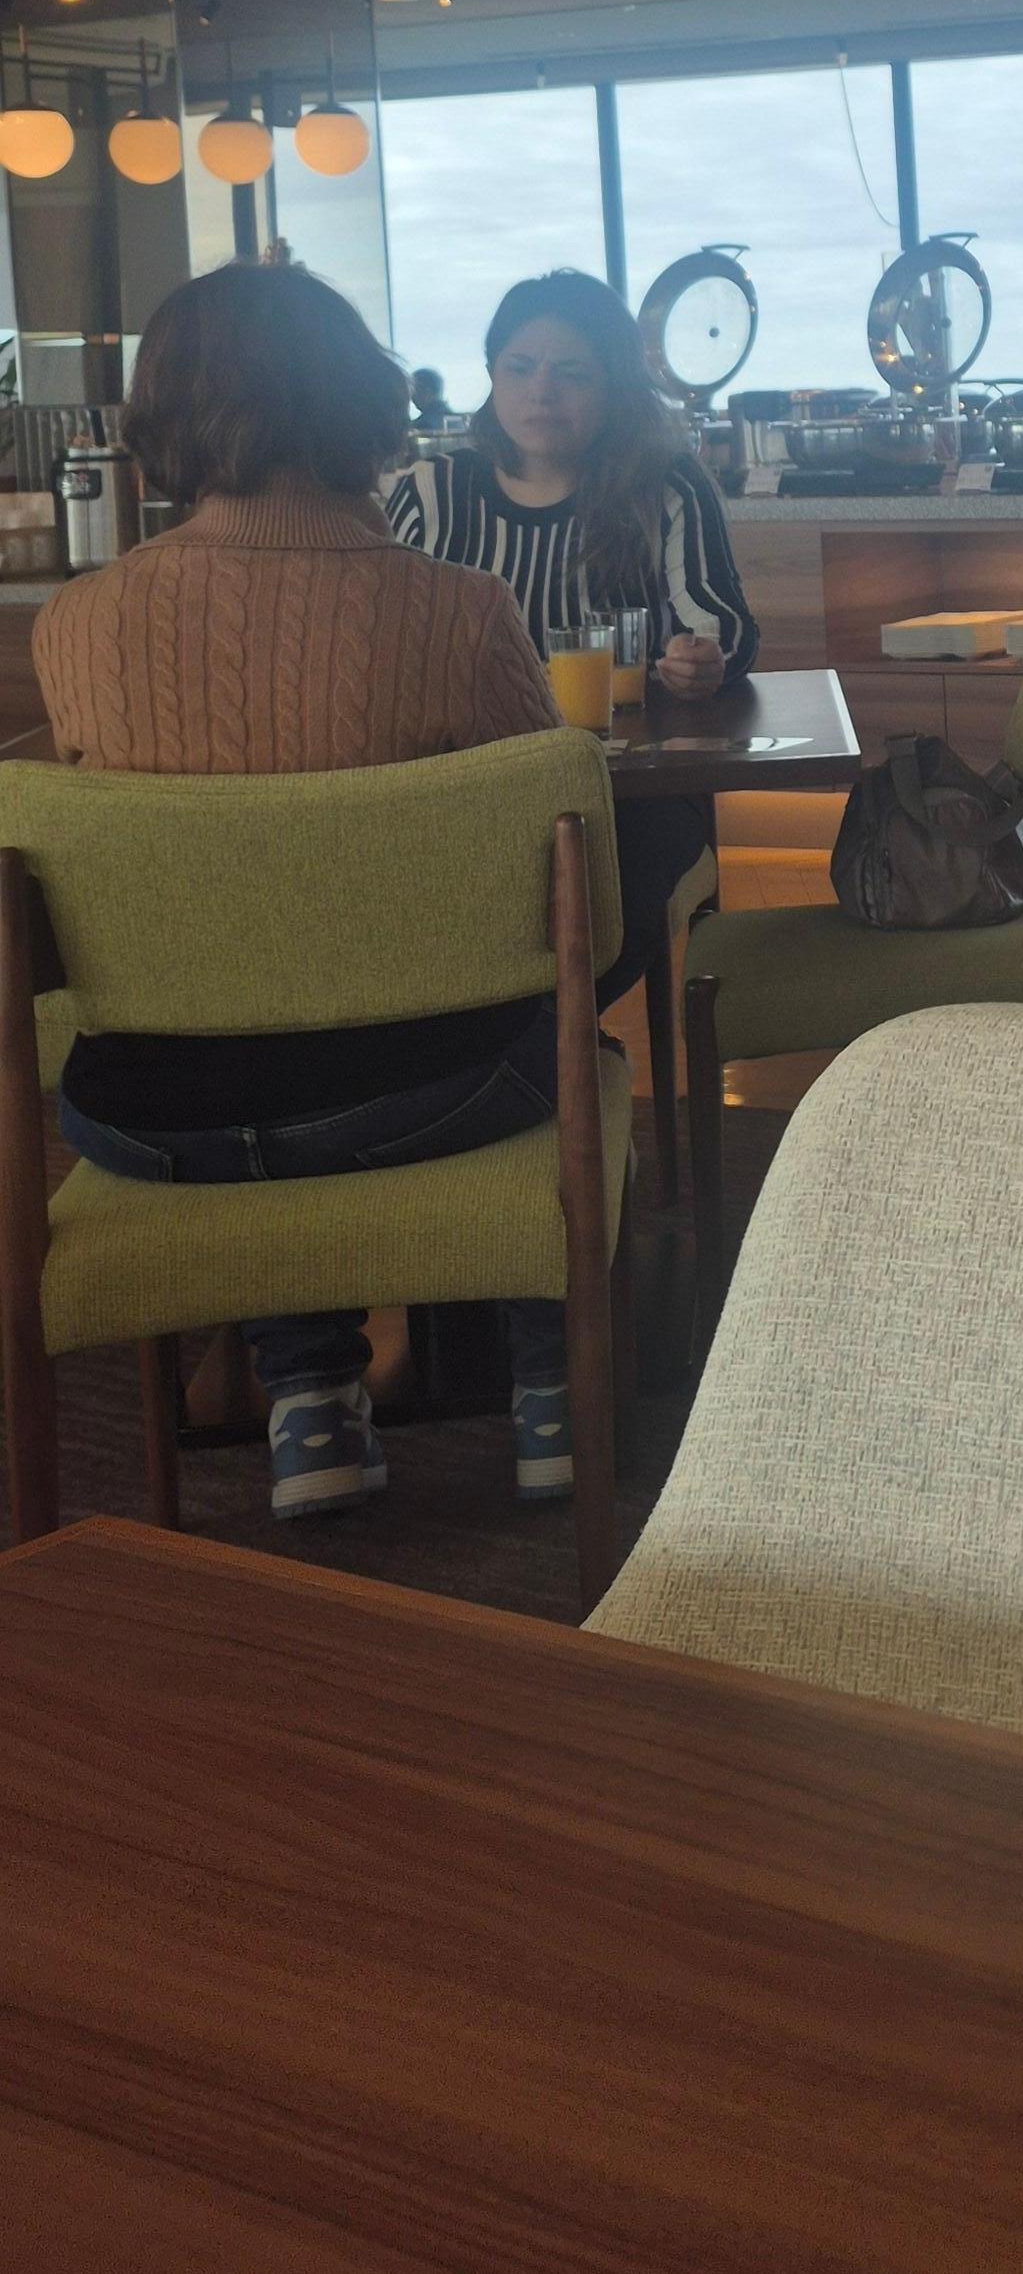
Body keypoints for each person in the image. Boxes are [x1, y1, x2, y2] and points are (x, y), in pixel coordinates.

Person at [35, 262, 575, 1524]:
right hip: (420, 1099)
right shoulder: (460, 611)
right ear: (362, 402)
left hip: (146, 1122)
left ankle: (310, 1397)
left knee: (248, 1004)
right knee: (555, 1005)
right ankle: (556, 1389)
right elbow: (558, 886)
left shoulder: (75, 624)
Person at [388, 268, 756, 1001]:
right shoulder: (433, 491)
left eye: (572, 373)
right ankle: (533, 1048)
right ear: (492, 374)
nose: (541, 392)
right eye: (519, 368)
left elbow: (722, 622)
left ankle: (540, 1046)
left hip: (629, 794)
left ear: (615, 385)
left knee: (602, 901)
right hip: (468, 788)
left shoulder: (665, 484)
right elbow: (386, 637)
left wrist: (700, 659)